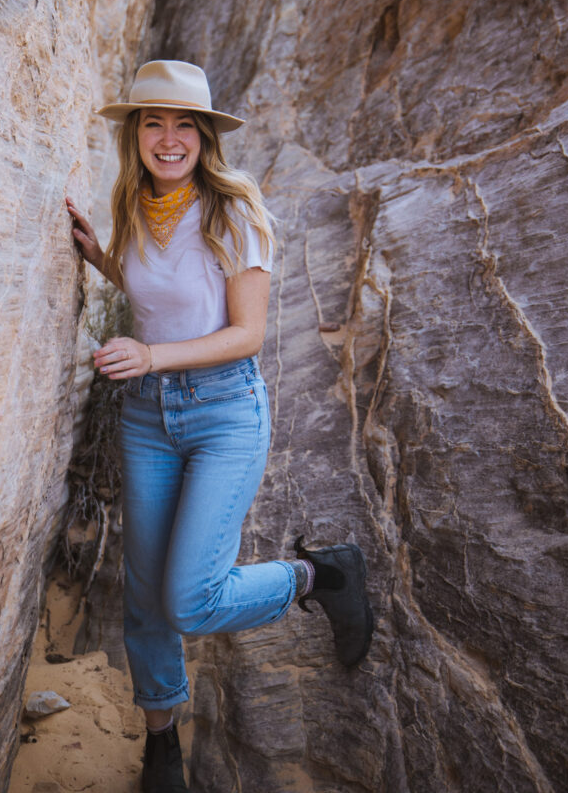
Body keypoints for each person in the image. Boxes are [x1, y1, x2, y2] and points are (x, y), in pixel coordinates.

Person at [66, 60, 373, 793]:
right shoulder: (137, 204)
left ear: (204, 137)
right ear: (135, 133)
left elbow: (244, 334)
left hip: (223, 413)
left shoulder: (235, 208)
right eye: (152, 122)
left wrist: (147, 354)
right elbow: (165, 291)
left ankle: (319, 573)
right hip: (146, 416)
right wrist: (100, 259)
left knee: (190, 599)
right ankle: (162, 740)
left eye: (183, 125)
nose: (167, 138)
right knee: (142, 597)